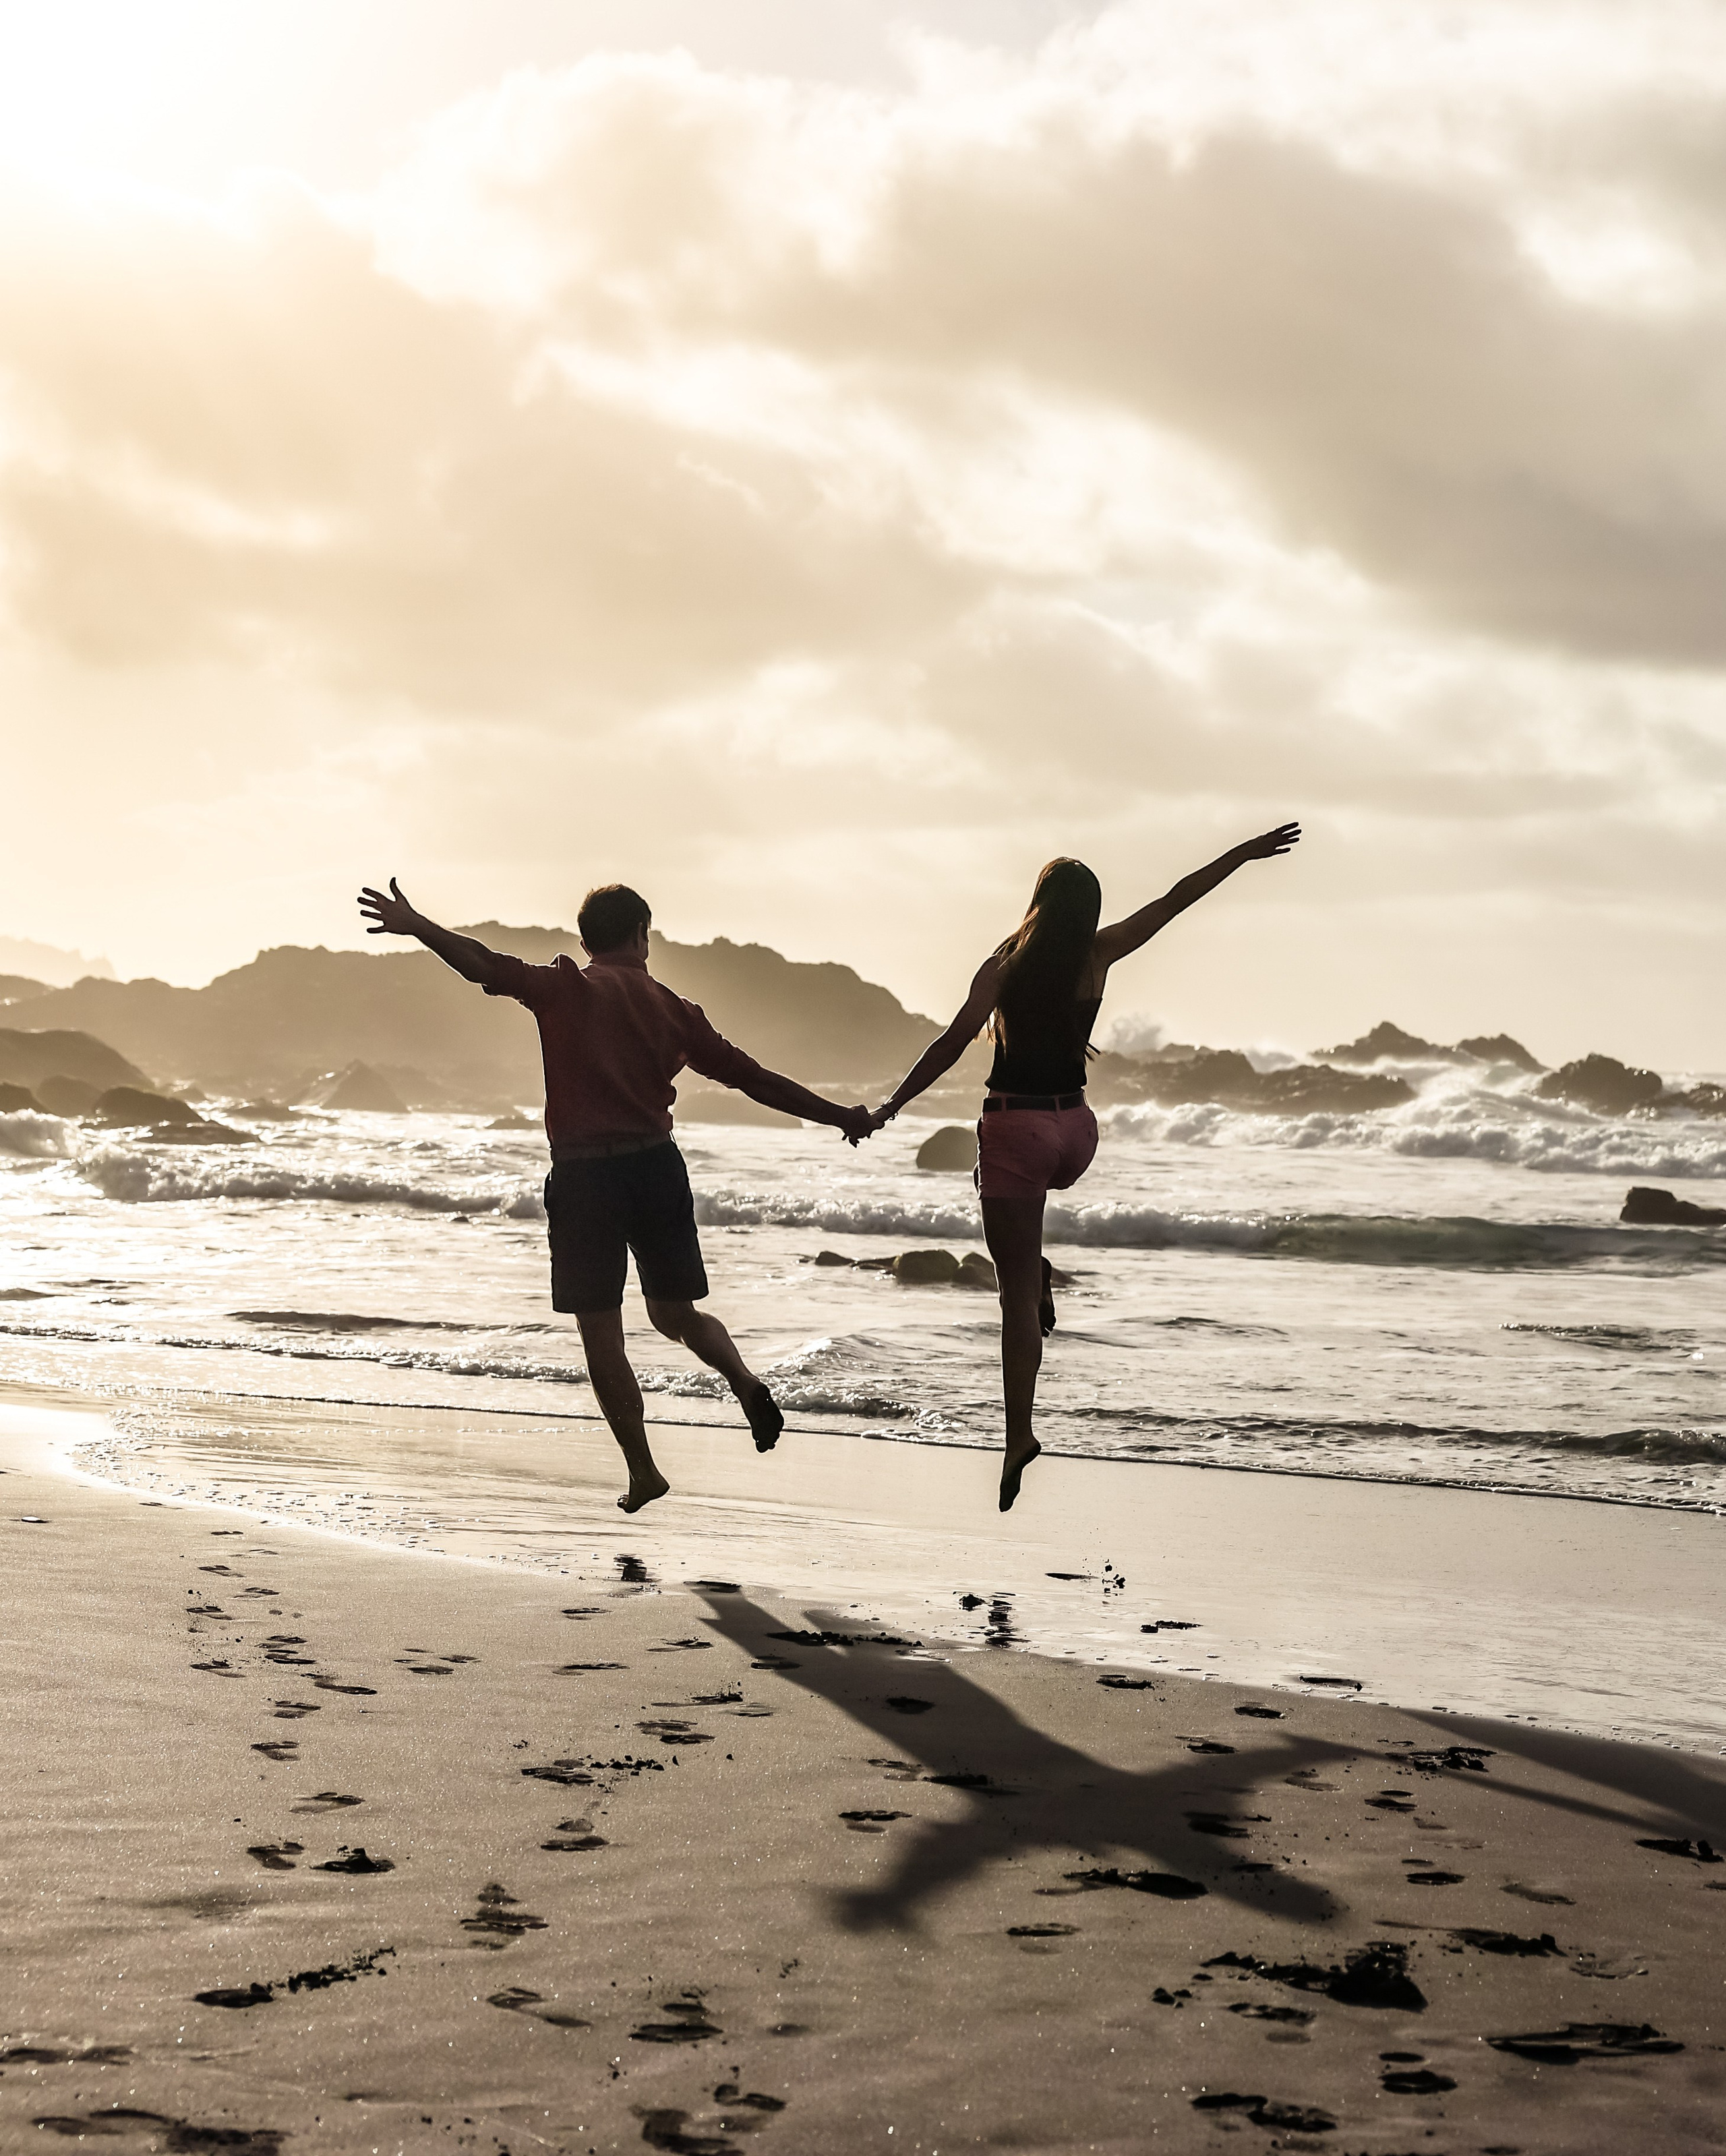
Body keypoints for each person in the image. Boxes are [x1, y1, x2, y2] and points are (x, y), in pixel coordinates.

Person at [356, 877, 874, 1513]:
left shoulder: (566, 988)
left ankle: (644, 1471)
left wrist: (419, 926)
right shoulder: (674, 1010)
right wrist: (840, 1117)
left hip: (584, 1179)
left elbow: (482, 964)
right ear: (641, 936)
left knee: (603, 1336)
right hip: (657, 1170)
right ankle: (741, 1378)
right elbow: (757, 1082)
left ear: (586, 940)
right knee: (675, 1315)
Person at [868, 825, 1301, 1513]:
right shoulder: (1100, 953)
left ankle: (1017, 1436)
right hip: (1076, 1135)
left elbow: (953, 1042)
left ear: (1036, 904)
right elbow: (1176, 898)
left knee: (1011, 1292)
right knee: (1021, 1218)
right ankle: (1033, 1264)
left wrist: (891, 1104)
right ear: (1089, 911)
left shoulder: (1003, 965)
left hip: (1015, 1127)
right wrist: (1241, 855)